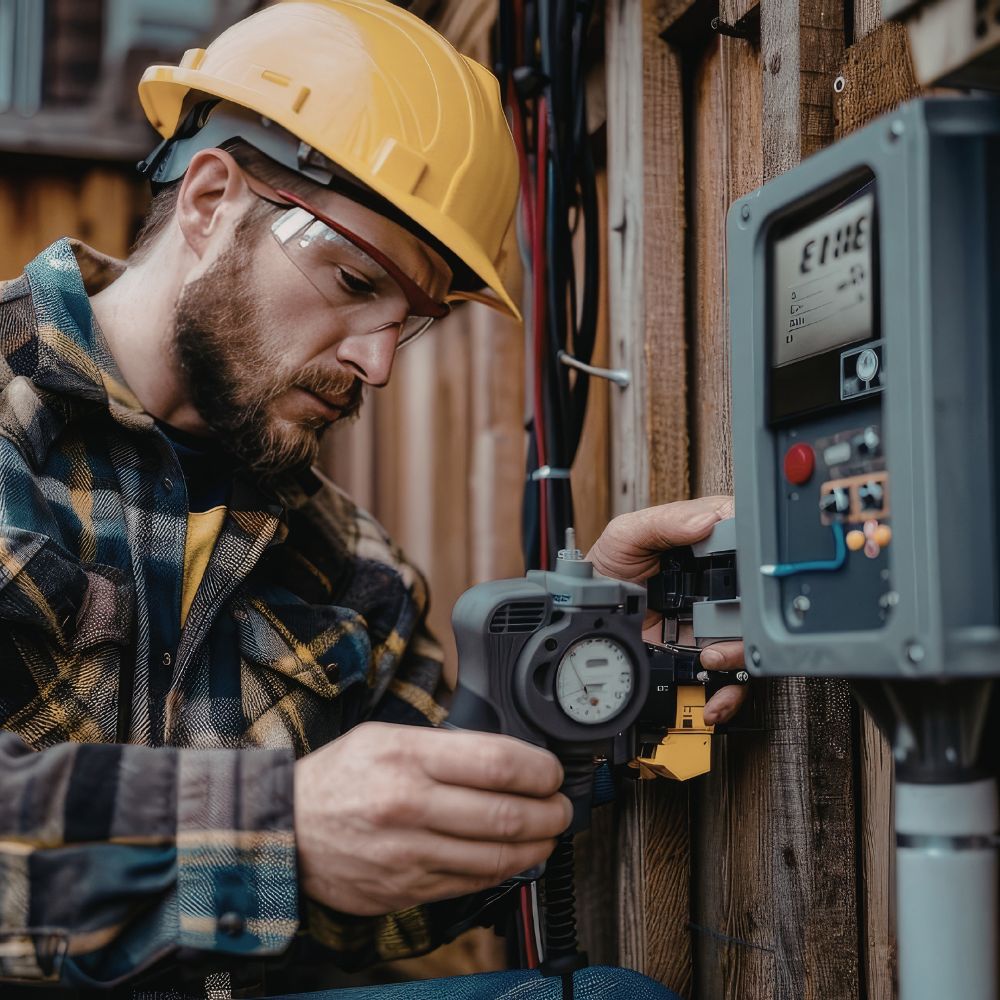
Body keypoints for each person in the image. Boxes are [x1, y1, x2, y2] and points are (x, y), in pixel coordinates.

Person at [0, 1, 746, 996]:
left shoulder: (347, 564)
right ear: (212, 198)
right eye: (356, 281)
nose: (378, 364)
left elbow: (408, 877)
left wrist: (586, 674)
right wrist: (278, 830)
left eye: (411, 321)